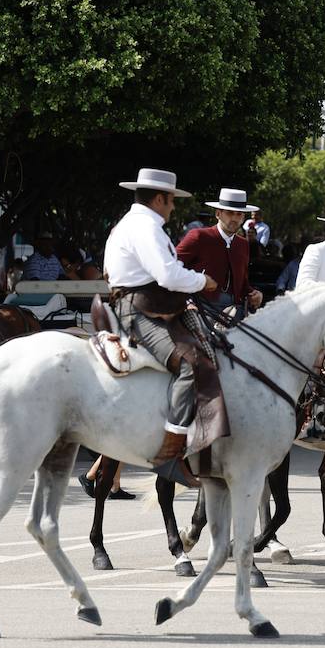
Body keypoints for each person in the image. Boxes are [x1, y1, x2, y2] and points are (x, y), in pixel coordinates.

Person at [105, 168, 220, 488]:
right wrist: (203, 281)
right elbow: (168, 275)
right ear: (159, 199)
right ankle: (169, 454)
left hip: (147, 304)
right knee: (190, 364)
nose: (173, 207)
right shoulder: (145, 227)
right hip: (139, 309)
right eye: (171, 200)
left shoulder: (137, 224)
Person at [175, 188, 264, 315]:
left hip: (234, 310)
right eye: (229, 213)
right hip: (200, 308)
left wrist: (254, 294)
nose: (234, 218)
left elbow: (242, 284)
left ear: (243, 217)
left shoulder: (243, 244)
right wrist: (187, 301)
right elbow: (172, 268)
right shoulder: (199, 236)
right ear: (218, 214)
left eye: (239, 214)